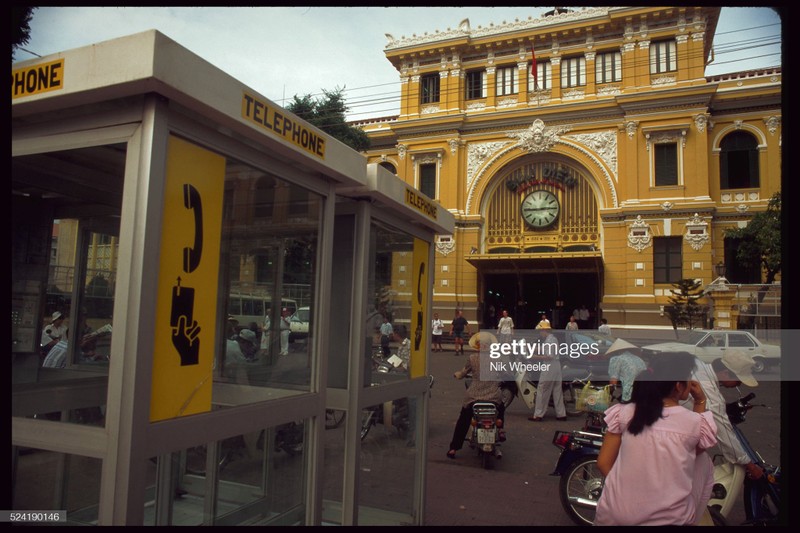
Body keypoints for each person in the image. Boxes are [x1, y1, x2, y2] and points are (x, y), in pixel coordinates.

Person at [595, 352, 717, 526]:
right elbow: (697, 449)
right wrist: (700, 401)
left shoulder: (623, 412)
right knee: (704, 461)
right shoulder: (694, 422)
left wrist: (629, 489)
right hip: (669, 520)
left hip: (614, 514)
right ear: (678, 386)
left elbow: (603, 463)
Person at [683, 349, 765, 482]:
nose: (739, 384)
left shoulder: (699, 365)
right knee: (701, 472)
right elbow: (724, 435)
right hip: (666, 437)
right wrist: (750, 465)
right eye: (738, 380)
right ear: (726, 373)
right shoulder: (710, 394)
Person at [447, 332, 503, 459]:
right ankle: (501, 427)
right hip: (493, 395)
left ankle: (453, 448)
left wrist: (457, 375)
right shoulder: (497, 358)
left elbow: (463, 372)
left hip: (474, 396)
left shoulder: (472, 358)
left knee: (463, 420)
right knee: (501, 405)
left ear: (478, 346)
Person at [528, 324, 567, 421]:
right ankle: (561, 414)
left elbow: (549, 356)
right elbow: (544, 349)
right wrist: (530, 348)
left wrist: (534, 357)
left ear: (544, 330)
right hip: (556, 366)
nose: (540, 333)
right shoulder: (552, 339)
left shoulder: (549, 340)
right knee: (557, 391)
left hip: (549, 366)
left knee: (542, 389)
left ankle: (538, 414)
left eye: (540, 331)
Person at [606, 338, 647, 403]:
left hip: (628, 393)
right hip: (643, 391)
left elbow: (613, 379)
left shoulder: (616, 359)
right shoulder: (639, 360)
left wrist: (610, 392)